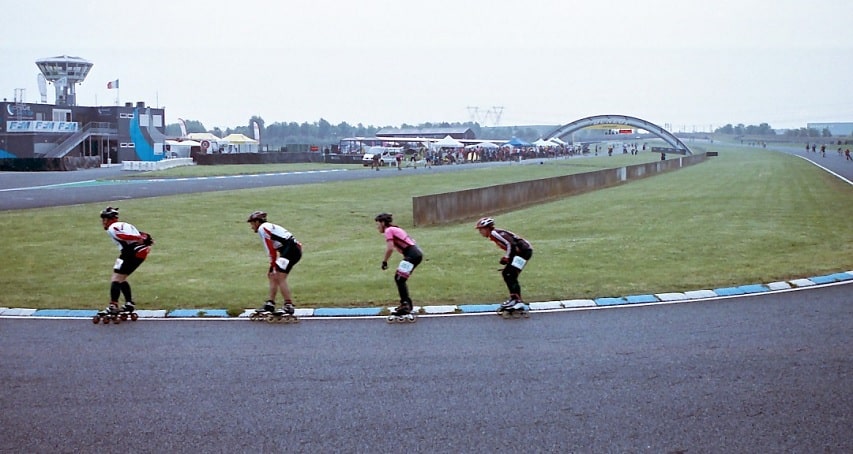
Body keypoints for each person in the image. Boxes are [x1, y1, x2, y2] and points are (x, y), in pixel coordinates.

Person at [247, 211, 302, 315]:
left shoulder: (262, 229)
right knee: (272, 275)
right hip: (290, 250)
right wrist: (272, 266)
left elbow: (270, 249)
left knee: (279, 276)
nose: (251, 227)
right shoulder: (267, 227)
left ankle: (288, 305)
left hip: (291, 251)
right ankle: (270, 304)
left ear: (257, 222)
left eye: (252, 223)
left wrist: (272, 264)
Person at [100, 206, 153, 314]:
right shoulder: (125, 224)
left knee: (116, 278)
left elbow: (122, 236)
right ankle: (129, 303)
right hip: (140, 252)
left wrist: (137, 239)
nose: (103, 222)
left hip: (130, 252)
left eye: (104, 220)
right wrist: (145, 238)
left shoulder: (112, 227)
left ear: (109, 219)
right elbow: (143, 235)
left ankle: (113, 305)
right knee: (122, 278)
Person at [474, 217, 533, 311]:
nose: (480, 232)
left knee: (510, 274)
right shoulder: (493, 235)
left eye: (481, 230)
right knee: (507, 273)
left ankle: (518, 301)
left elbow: (511, 244)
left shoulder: (494, 233)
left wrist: (507, 257)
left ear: (487, 228)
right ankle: (514, 299)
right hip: (521, 252)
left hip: (524, 251)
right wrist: (509, 258)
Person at [374, 213, 423, 316]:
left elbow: (390, 248)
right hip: (414, 254)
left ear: (383, 223)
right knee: (399, 278)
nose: (377, 227)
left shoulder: (389, 230)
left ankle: (405, 305)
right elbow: (411, 241)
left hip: (412, 255)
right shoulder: (395, 229)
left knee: (399, 279)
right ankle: (406, 304)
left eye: (378, 224)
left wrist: (385, 261)